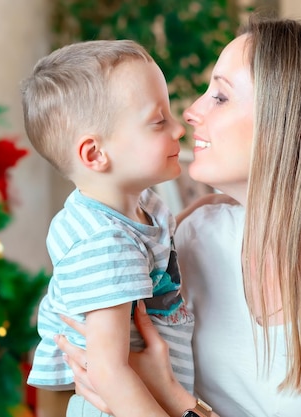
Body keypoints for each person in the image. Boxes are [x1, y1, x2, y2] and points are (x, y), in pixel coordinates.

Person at [54, 16, 301, 417]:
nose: (190, 112)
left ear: (293, 125)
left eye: (220, 97)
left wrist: (173, 397)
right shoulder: (189, 239)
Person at [20, 39, 195, 417]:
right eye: (158, 120)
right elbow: (108, 370)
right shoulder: (104, 241)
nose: (178, 128)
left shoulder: (141, 206)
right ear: (95, 154)